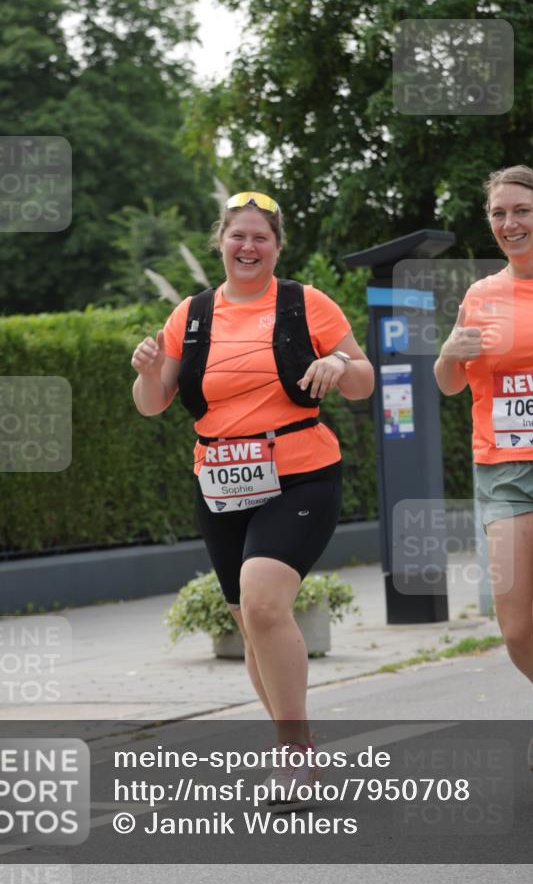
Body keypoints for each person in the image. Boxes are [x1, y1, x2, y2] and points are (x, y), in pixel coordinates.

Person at [131, 190, 374, 804]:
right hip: (219, 481)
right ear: (221, 242)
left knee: (265, 604)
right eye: (238, 235)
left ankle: (293, 756)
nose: (248, 246)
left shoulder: (303, 302)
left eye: (260, 237)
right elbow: (154, 402)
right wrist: (144, 371)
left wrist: (341, 365)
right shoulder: (191, 314)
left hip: (300, 472)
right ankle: (297, 744)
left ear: (277, 246)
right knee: (249, 623)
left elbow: (364, 378)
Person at [434, 165, 533, 808]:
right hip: (503, 470)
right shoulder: (479, 294)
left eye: (521, 210)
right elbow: (448, 383)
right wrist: (448, 351)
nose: (509, 224)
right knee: (515, 626)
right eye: (498, 214)